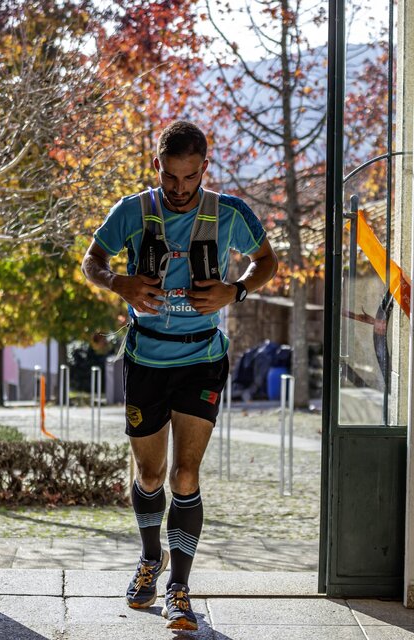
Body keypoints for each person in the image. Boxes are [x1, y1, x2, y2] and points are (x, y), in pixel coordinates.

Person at [81, 120, 278, 631]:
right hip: (146, 359)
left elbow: (266, 261)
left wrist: (236, 290)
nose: (180, 188)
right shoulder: (132, 210)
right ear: (157, 166)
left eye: (190, 177)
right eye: (170, 176)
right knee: (149, 475)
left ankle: (179, 589)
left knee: (184, 475)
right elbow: (91, 260)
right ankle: (151, 558)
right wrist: (118, 282)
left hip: (201, 359)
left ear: (204, 168)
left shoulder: (230, 212)